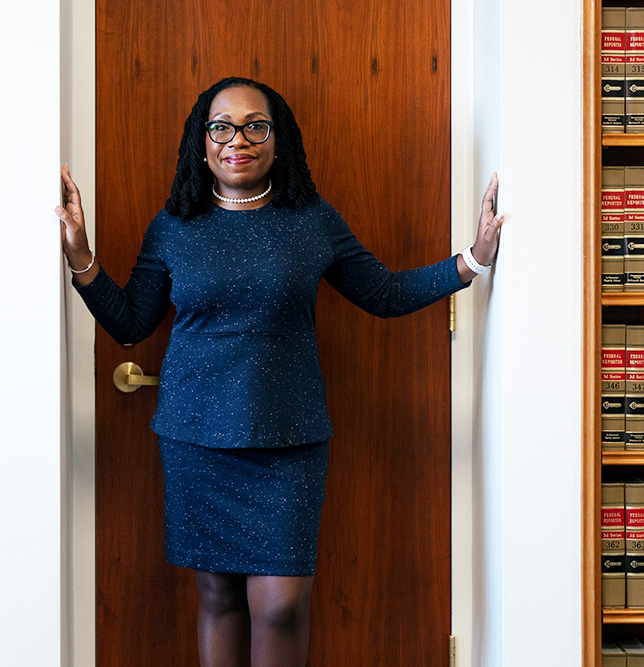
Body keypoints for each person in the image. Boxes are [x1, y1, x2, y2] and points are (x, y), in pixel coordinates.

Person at [55, 76, 502, 667]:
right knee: (217, 597)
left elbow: (384, 293)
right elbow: (132, 322)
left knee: (281, 604)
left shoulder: (311, 219)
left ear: (277, 138)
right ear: (202, 140)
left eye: (254, 126)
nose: (237, 139)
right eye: (221, 127)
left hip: (289, 440)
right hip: (196, 439)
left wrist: (470, 260)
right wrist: (81, 254)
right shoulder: (174, 226)